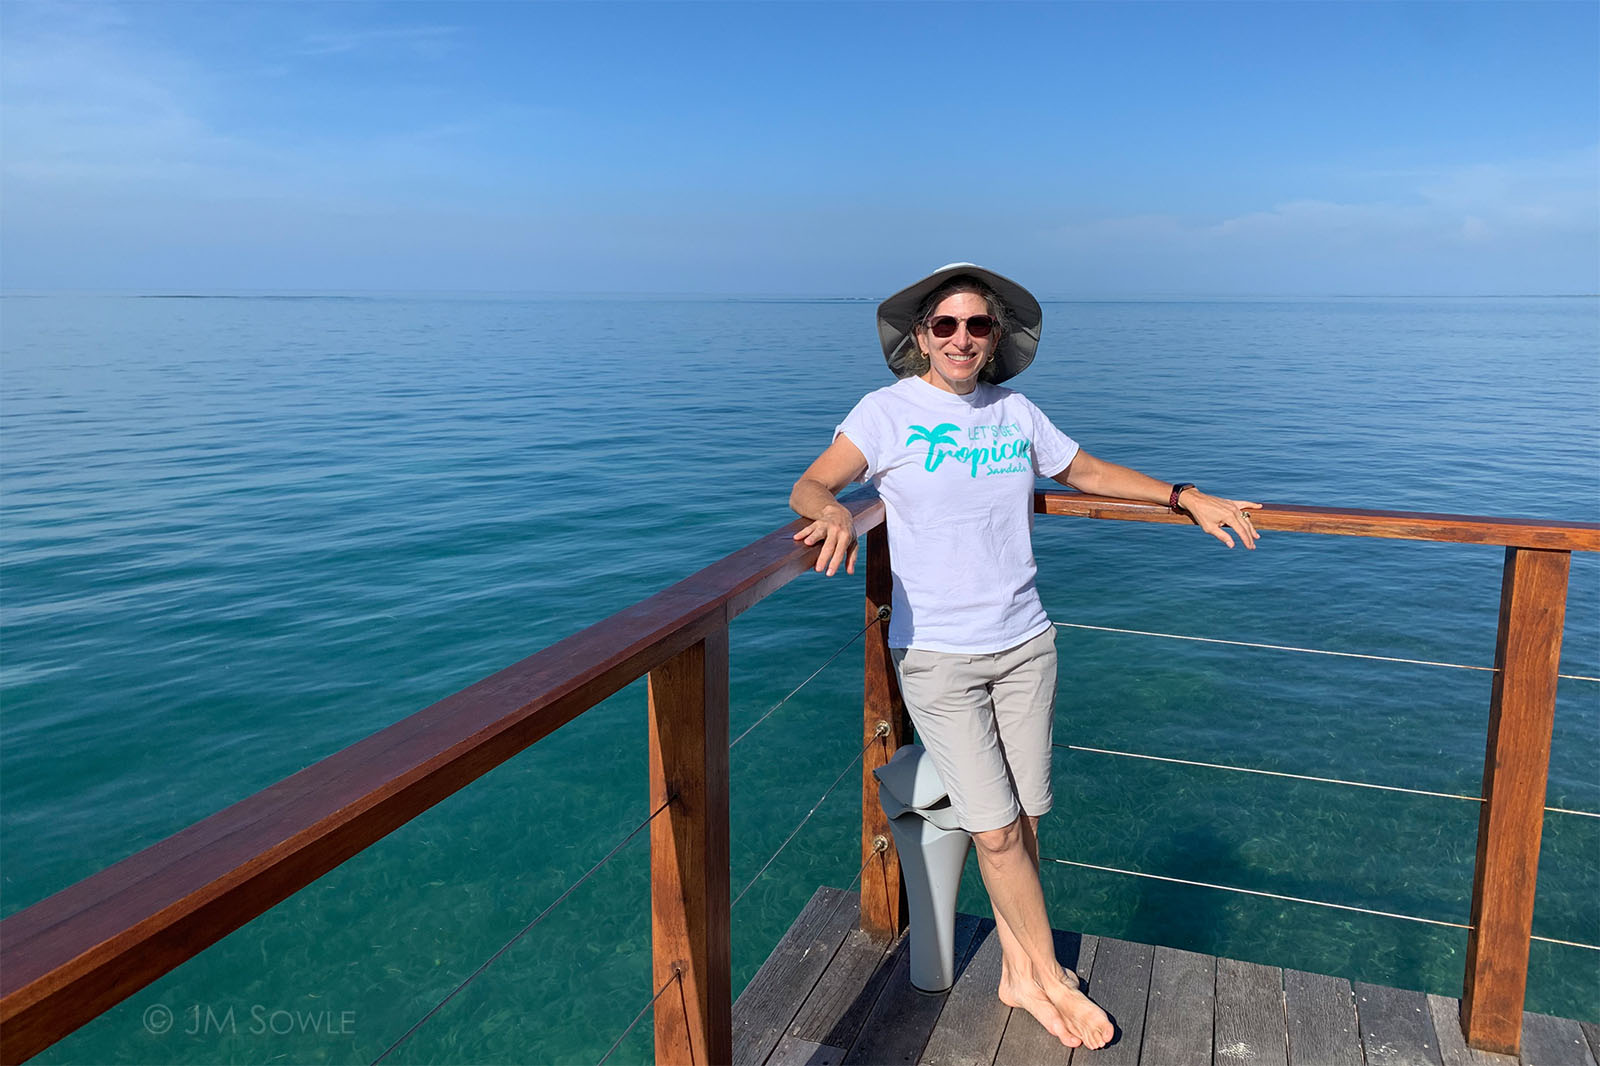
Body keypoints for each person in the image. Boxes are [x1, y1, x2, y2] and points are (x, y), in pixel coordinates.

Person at [789, 264, 1259, 1049]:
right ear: (921, 338)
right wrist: (834, 509)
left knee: (1027, 816)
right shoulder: (885, 413)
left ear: (995, 339)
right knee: (996, 831)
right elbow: (809, 484)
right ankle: (1044, 982)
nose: (962, 339)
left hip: (1026, 643)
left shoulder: (1015, 413)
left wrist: (1185, 495)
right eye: (946, 326)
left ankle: (1014, 964)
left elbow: (1085, 471)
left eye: (977, 326)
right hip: (938, 655)